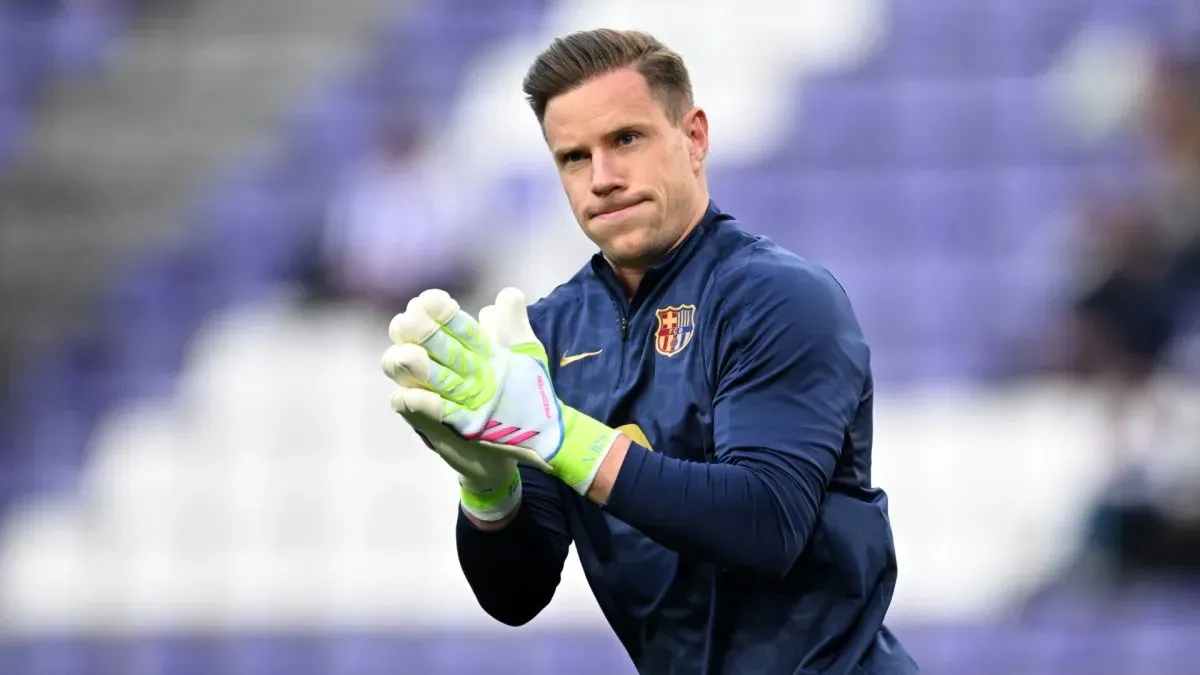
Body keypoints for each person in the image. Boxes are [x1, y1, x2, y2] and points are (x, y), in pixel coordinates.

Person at [382, 29, 918, 674]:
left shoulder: (779, 297)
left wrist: (558, 438)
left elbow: (767, 522)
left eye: (625, 140)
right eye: (574, 158)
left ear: (694, 136)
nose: (602, 179)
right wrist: (489, 489)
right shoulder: (550, 332)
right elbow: (516, 595)